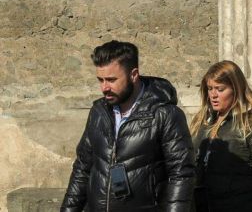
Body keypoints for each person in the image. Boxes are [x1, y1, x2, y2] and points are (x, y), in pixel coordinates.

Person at [61, 41, 194, 212]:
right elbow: (82, 168)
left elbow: (181, 174)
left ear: (133, 75)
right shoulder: (98, 112)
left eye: (111, 80)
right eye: (100, 80)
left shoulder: (165, 114)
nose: (104, 88)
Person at [189, 61, 252, 212]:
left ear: (235, 88)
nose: (213, 95)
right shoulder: (203, 122)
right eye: (210, 88)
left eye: (220, 89)